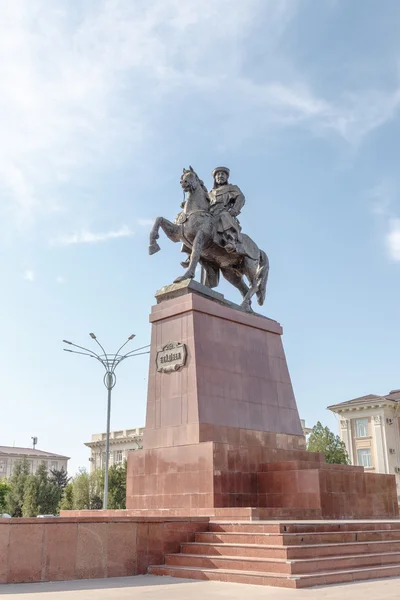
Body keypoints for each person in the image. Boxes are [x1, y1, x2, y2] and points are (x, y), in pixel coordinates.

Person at [180, 166, 246, 267]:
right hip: (210, 214)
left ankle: (230, 240)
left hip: (224, 212)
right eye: (218, 174)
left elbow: (241, 197)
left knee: (223, 215)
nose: (220, 176)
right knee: (192, 226)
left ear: (227, 177)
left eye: (223, 174)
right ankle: (190, 252)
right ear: (215, 178)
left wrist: (234, 210)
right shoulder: (210, 193)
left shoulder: (232, 188)